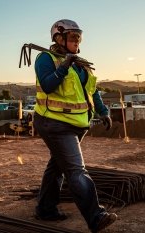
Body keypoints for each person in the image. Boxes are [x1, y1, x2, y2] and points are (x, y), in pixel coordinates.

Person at [33, 19, 117, 233]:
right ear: (59, 38)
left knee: (57, 166)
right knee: (76, 170)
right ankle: (95, 216)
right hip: (53, 122)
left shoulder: (82, 64)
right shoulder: (46, 58)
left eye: (79, 37)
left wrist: (103, 112)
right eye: (73, 37)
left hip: (76, 124)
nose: (77, 41)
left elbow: (93, 91)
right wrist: (63, 67)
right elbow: (48, 86)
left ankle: (45, 209)